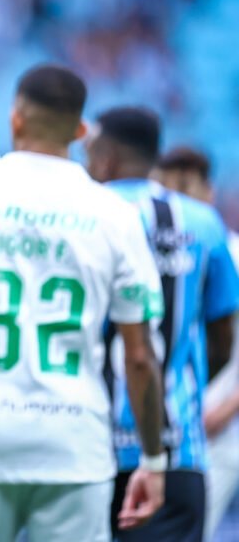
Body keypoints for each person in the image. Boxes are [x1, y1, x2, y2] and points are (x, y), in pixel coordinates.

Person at [0, 64, 167, 542]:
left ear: (15, 120)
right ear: (81, 131)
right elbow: (141, 358)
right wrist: (152, 459)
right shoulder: (116, 217)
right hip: (75, 446)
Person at [85, 110, 239, 542]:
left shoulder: (79, 217)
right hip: (178, 449)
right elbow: (223, 336)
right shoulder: (204, 224)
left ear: (105, 156)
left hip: (80, 445)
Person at [152, 146, 239, 539]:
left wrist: (227, 406)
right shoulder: (141, 243)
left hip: (217, 423)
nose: (177, 199)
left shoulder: (233, 253)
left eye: (186, 187)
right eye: (167, 188)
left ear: (209, 192)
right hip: (157, 421)